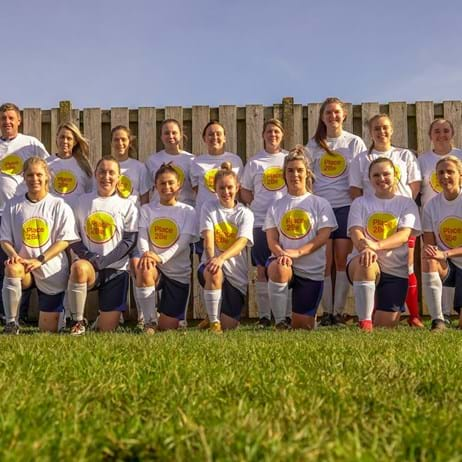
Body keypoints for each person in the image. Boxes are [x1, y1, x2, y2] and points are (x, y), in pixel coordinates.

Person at [349, 113, 423, 327]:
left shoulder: (405, 155)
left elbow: (415, 186)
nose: (381, 132)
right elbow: (355, 191)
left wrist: (399, 205)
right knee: (367, 262)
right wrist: (367, 243)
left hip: (398, 221)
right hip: (370, 232)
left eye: (385, 127)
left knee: (406, 266)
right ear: (370, 133)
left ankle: (413, 314)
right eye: (376, 128)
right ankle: (365, 321)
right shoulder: (362, 160)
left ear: (392, 130)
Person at [0, 157, 78, 334]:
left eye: (38, 175)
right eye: (30, 175)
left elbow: (64, 240)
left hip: (51, 268)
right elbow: (4, 239)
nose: (34, 179)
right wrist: (15, 256)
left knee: (47, 330)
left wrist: (40, 259)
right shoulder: (13, 205)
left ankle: (62, 316)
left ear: (47, 177)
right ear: (24, 177)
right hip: (24, 267)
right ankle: (11, 323)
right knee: (12, 268)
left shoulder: (59, 205)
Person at [306, 97, 366, 326]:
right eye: (328, 113)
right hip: (321, 208)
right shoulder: (313, 144)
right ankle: (326, 312)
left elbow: (360, 175)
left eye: (336, 112)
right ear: (322, 117)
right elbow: (308, 179)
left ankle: (338, 312)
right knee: (324, 261)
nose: (333, 116)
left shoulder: (354, 142)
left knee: (341, 260)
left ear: (344, 115)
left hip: (346, 206)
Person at [264, 146, 337, 330]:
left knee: (302, 328)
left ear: (307, 173)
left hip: (311, 270)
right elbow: (272, 239)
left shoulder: (320, 203)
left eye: (299, 170)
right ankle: (280, 321)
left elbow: (323, 236)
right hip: (286, 264)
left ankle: (302, 318)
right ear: (284, 174)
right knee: (278, 266)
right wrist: (282, 254)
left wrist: (297, 252)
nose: (294, 174)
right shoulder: (276, 206)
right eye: (290, 170)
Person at [67, 155, 138, 334]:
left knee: (107, 330)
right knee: (78, 268)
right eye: (102, 172)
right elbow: (73, 237)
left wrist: (104, 261)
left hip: (116, 270)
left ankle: (103, 318)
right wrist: (90, 258)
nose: (106, 176)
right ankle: (77, 322)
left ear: (119, 178)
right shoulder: (82, 202)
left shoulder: (127, 206)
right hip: (90, 266)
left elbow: (129, 241)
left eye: (111, 173)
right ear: (95, 175)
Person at [0, 103, 50, 323]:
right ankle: (5, 315)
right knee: (5, 264)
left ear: (19, 121)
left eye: (11, 118)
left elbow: (48, 170)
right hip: (1, 212)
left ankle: (21, 314)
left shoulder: (31, 144)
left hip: (24, 211)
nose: (7, 122)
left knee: (24, 261)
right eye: (3, 119)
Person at [134, 163, 198, 332]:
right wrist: (147, 255)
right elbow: (142, 236)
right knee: (144, 267)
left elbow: (182, 243)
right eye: (162, 183)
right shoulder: (147, 209)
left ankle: (162, 318)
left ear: (179, 185)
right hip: (155, 268)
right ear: (155, 186)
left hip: (177, 275)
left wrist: (160, 257)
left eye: (171, 183)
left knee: (168, 328)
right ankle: (149, 322)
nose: (167, 187)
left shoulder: (188, 211)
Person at [241, 118, 287, 327]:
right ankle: (264, 316)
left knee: (284, 264)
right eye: (269, 131)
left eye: (276, 131)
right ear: (263, 135)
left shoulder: (288, 159)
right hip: (260, 220)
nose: (272, 135)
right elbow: (245, 190)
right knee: (261, 268)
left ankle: (284, 314)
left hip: (285, 223)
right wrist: (258, 204)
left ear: (282, 135)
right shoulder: (255, 161)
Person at [198, 162, 254, 333]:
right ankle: (214, 323)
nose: (226, 192)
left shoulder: (245, 213)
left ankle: (212, 314)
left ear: (237, 187)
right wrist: (212, 259)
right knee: (214, 272)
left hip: (236, 274)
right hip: (211, 266)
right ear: (215, 189)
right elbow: (208, 240)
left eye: (230, 187)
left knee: (230, 326)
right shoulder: (209, 207)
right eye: (221, 188)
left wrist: (222, 258)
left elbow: (242, 242)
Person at [418, 119, 462, 324]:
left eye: (450, 172)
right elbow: (429, 243)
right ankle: (439, 320)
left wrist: (446, 252)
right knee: (428, 257)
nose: (445, 176)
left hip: (454, 254)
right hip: (448, 261)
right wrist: (436, 254)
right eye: (440, 173)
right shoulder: (430, 206)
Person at [190, 121, 243, 218]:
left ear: (224, 138)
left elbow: (239, 189)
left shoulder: (235, 160)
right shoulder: (196, 162)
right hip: (204, 214)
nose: (214, 137)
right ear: (204, 139)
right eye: (210, 134)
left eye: (218, 134)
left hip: (230, 215)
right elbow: (196, 188)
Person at [145, 119, 195, 206]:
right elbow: (146, 190)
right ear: (161, 136)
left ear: (181, 135)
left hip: (184, 210)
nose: (171, 136)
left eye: (174, 133)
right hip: (159, 210)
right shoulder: (152, 160)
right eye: (166, 133)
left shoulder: (191, 160)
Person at [47, 122, 93, 208]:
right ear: (56, 138)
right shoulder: (47, 163)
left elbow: (90, 190)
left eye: (69, 138)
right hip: (54, 215)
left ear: (75, 142)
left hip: (77, 216)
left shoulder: (83, 164)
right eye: (62, 137)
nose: (65, 141)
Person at [111, 125, 151, 206]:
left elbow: (145, 199)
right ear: (111, 143)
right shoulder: (106, 167)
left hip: (134, 216)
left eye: (123, 139)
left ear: (130, 142)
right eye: (116, 139)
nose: (120, 143)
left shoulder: (140, 168)